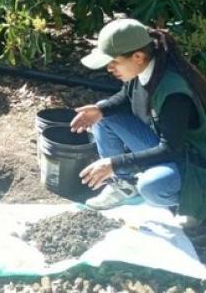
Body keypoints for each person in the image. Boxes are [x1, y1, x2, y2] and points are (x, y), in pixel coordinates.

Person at [73, 19, 206, 224]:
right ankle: (125, 188)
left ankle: (192, 204)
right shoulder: (143, 68)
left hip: (193, 164)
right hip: (173, 149)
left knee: (151, 185)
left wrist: (114, 163)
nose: (109, 68)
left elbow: (170, 149)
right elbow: (126, 98)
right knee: (102, 116)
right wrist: (100, 110)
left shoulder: (173, 92)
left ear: (137, 56)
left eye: (113, 62)